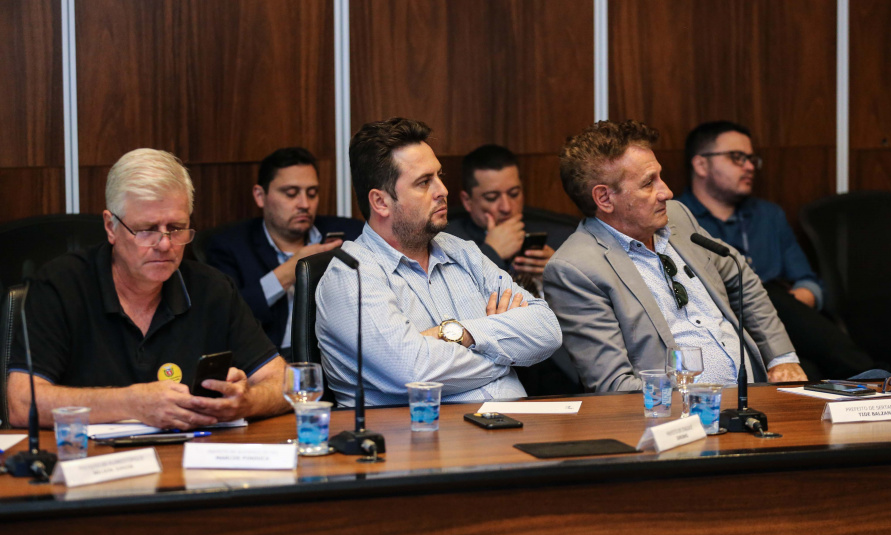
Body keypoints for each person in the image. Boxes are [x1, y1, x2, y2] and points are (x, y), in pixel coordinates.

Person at [7, 148, 288, 429]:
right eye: (147, 229)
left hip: (188, 461)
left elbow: (284, 382)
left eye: (176, 227)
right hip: (92, 463)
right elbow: (21, 403)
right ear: (110, 227)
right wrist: (132, 403)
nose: (165, 244)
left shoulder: (212, 288)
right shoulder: (61, 285)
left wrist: (246, 400)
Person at [542, 120, 807, 392]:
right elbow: (615, 386)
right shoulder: (575, 269)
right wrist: (699, 406)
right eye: (648, 183)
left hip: (755, 396)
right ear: (605, 199)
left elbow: (743, 278)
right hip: (679, 418)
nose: (666, 192)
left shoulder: (677, 216)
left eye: (660, 176)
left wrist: (781, 358)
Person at [315, 118, 562, 406]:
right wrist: (504, 357)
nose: (442, 190)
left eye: (438, 176)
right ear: (381, 202)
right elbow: (414, 370)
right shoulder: (351, 275)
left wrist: (462, 334)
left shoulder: (463, 252)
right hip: (421, 439)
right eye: (424, 182)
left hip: (513, 427)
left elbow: (547, 329)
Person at [678, 121, 876, 379]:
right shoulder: (677, 221)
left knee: (804, 361)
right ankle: (873, 376)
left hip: (784, 325)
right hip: (723, 327)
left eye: (751, 159)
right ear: (701, 164)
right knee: (760, 292)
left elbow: (809, 283)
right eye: (737, 158)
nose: (749, 166)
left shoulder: (768, 215)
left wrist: (790, 305)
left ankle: (871, 378)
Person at [206, 147, 362, 358]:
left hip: (333, 359)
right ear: (260, 196)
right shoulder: (228, 246)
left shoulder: (351, 234)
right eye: (291, 194)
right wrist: (290, 270)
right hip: (268, 362)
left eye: (312, 193)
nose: (304, 204)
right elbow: (223, 317)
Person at [446, 145, 573, 285]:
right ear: (467, 201)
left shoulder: (562, 238)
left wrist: (559, 274)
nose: (506, 207)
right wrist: (491, 253)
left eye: (514, 194)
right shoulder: (447, 243)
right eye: (492, 197)